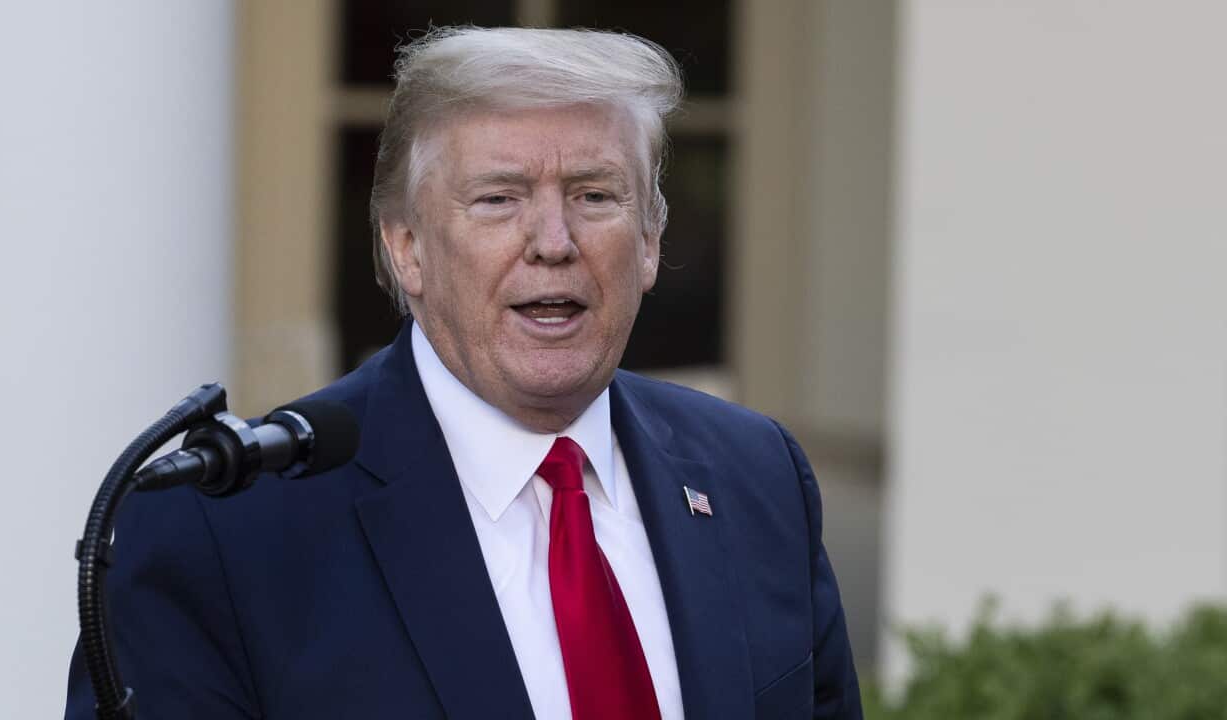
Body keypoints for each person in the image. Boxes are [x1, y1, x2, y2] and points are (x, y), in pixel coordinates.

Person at [65, 26, 862, 720]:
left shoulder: (757, 476)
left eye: (594, 195)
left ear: (650, 241)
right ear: (405, 246)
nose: (553, 240)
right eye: (498, 199)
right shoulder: (223, 529)